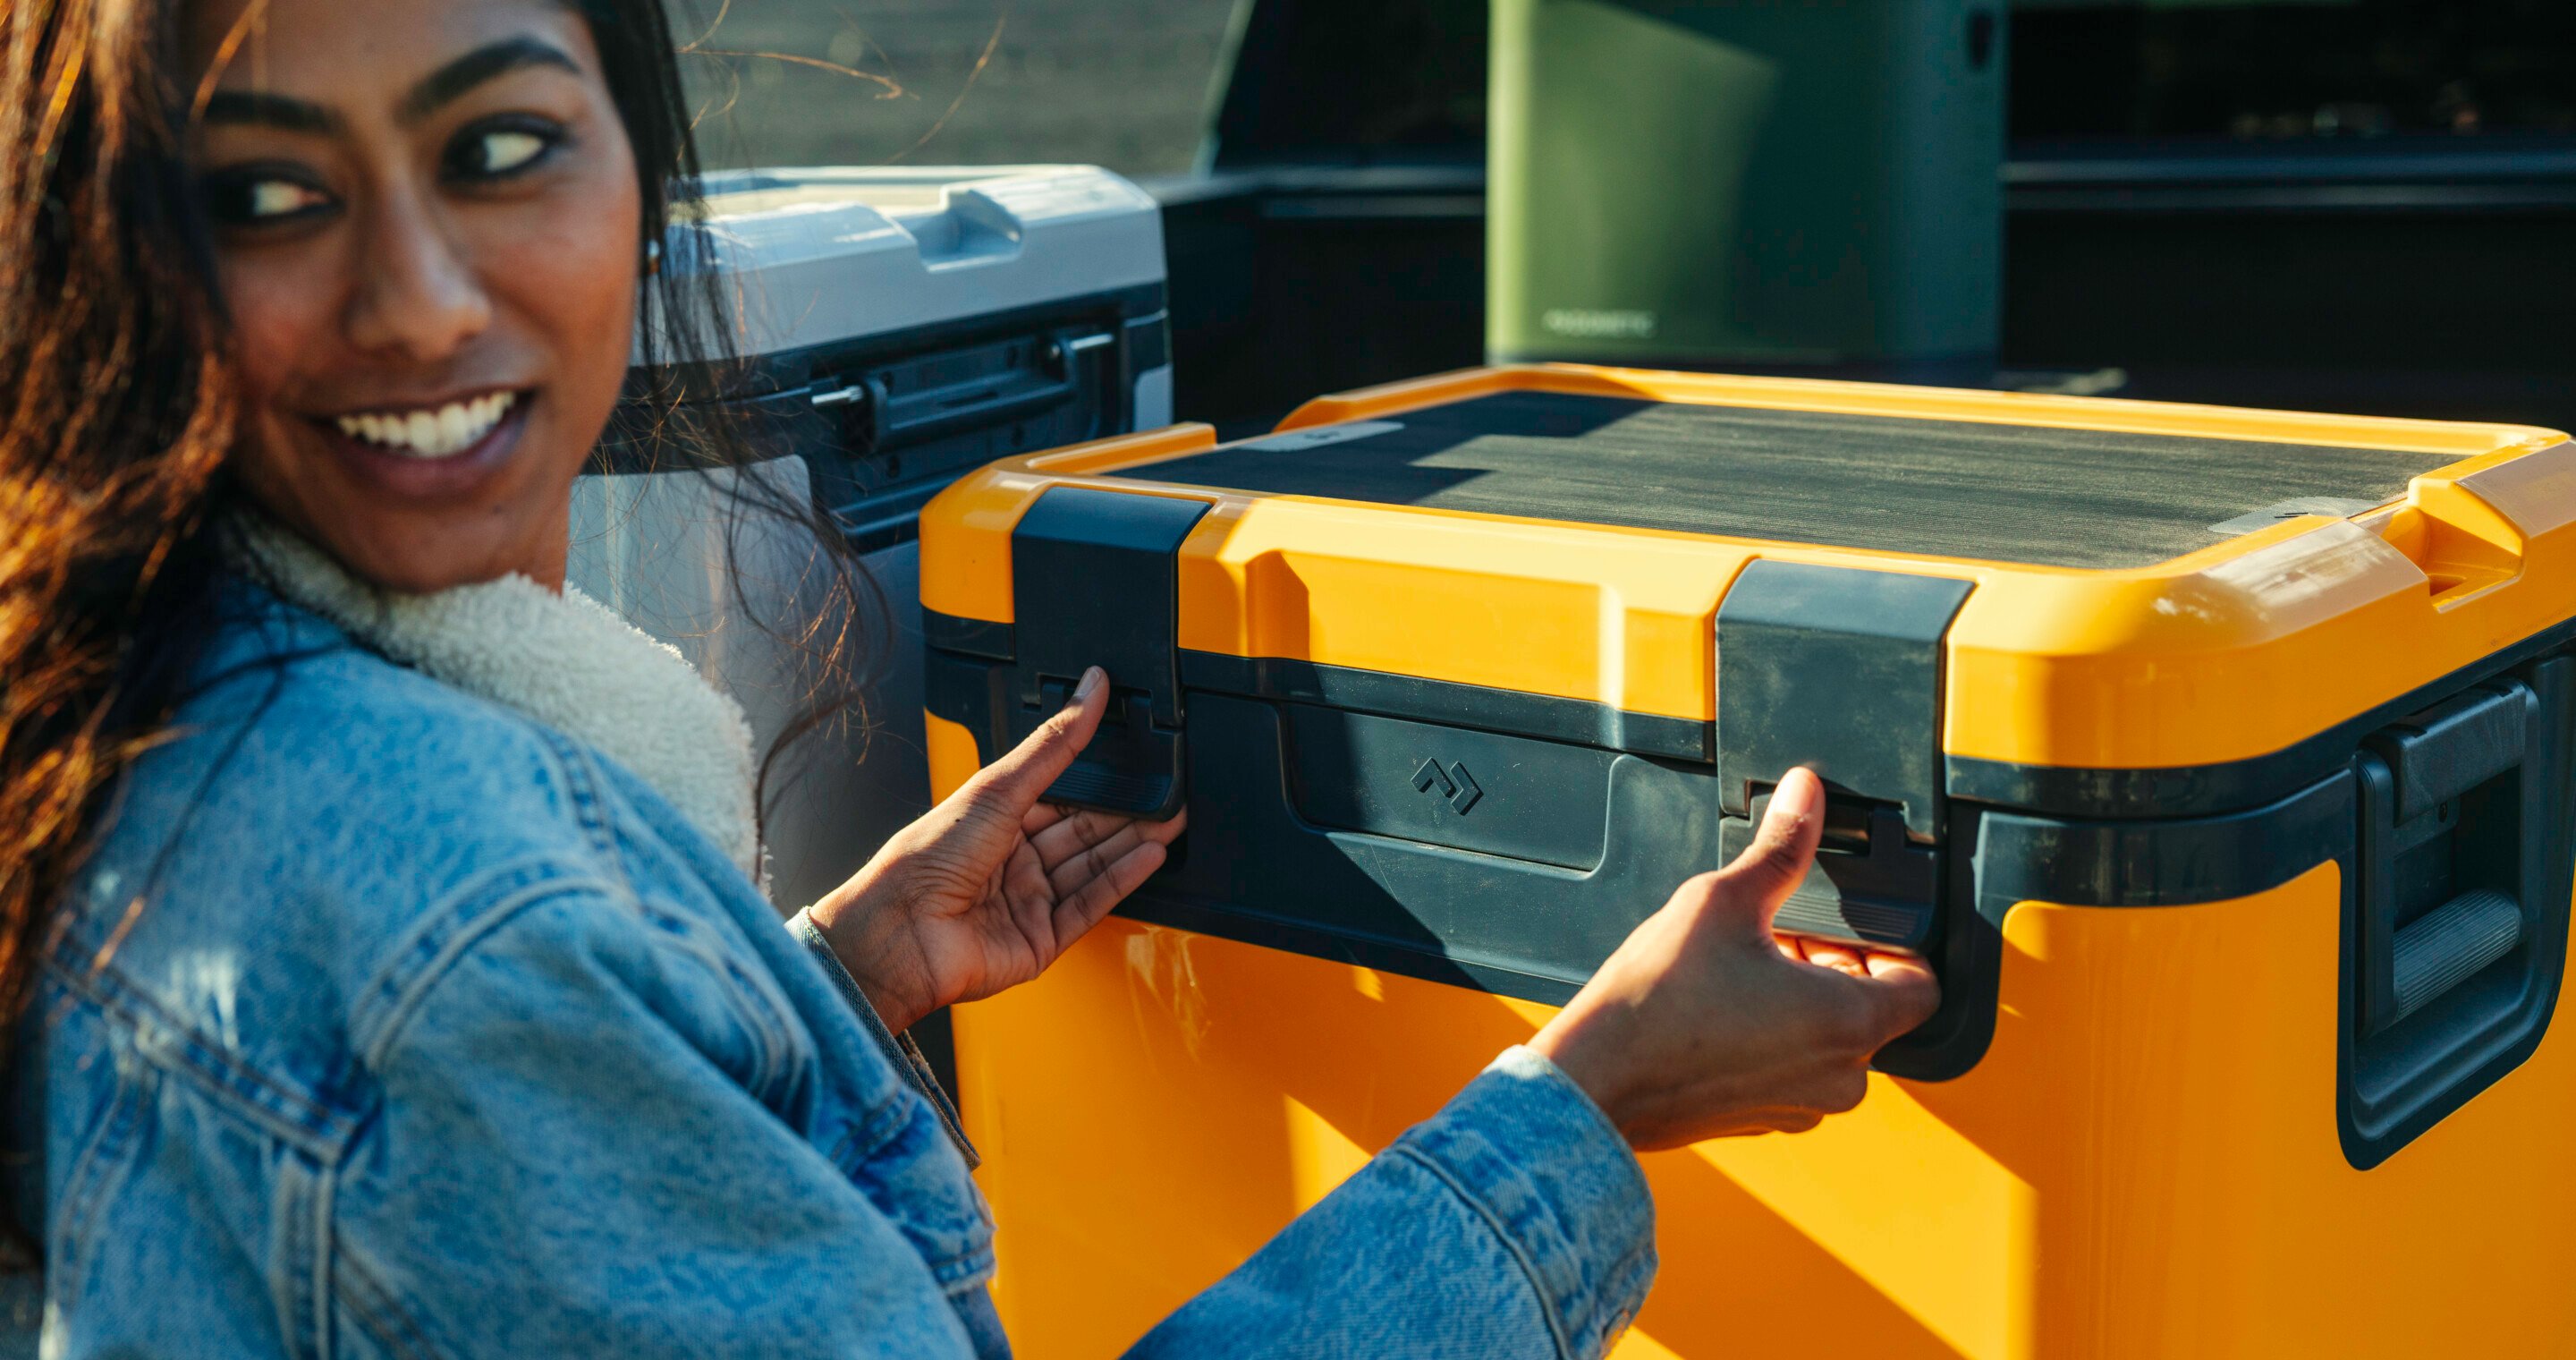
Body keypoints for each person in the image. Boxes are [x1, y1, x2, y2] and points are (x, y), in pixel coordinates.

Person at [0, 1, 1940, 1355]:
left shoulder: (129, 713)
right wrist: (1582, 1110)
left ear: (639, 176)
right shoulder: (466, 920)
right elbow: (463, 1024)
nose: (422, 298)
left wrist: (818, 985)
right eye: (264, 194)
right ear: (105, 250)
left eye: (502, 150)